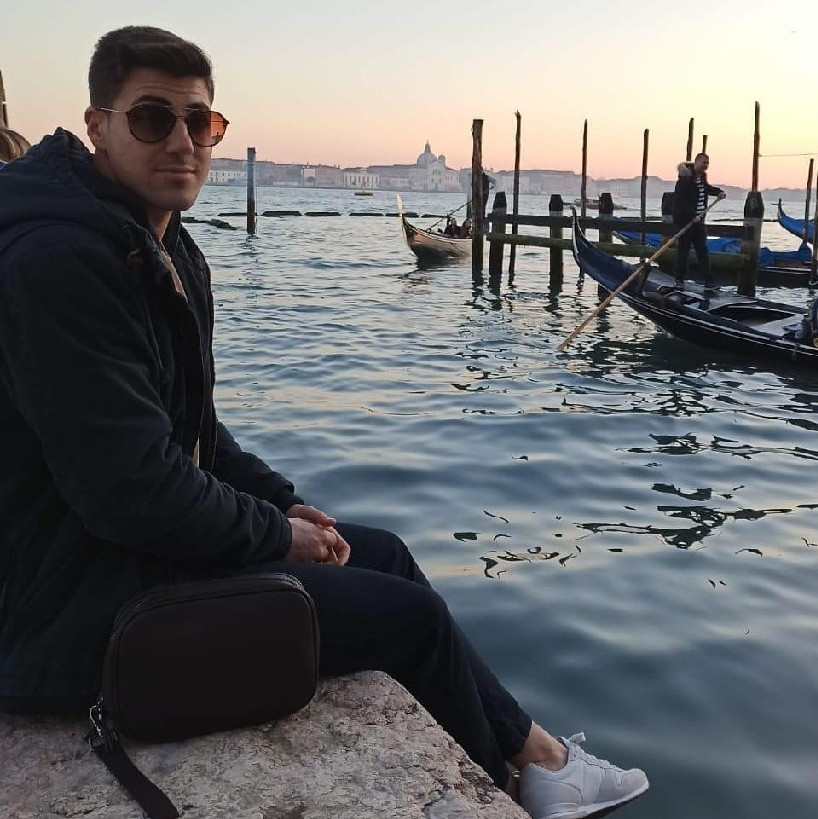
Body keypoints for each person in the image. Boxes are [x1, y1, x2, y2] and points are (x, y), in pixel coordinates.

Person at [0, 26, 648, 819]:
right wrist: (274, 535)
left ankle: (534, 761)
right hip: (75, 612)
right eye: (152, 118)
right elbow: (130, 488)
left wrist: (285, 503)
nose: (182, 141)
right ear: (97, 126)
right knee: (409, 621)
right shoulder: (60, 261)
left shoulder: (158, 243)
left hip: (131, 558)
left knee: (385, 553)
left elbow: (197, 431)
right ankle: (519, 782)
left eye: (200, 122)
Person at [672, 152, 726, 289]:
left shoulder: (702, 177)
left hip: (698, 221)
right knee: (683, 251)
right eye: (703, 162)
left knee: (702, 250)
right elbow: (681, 202)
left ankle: (709, 281)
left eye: (707, 163)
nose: (705, 165)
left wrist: (718, 192)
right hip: (685, 221)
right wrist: (692, 216)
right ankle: (679, 279)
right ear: (696, 162)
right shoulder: (684, 180)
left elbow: (706, 188)